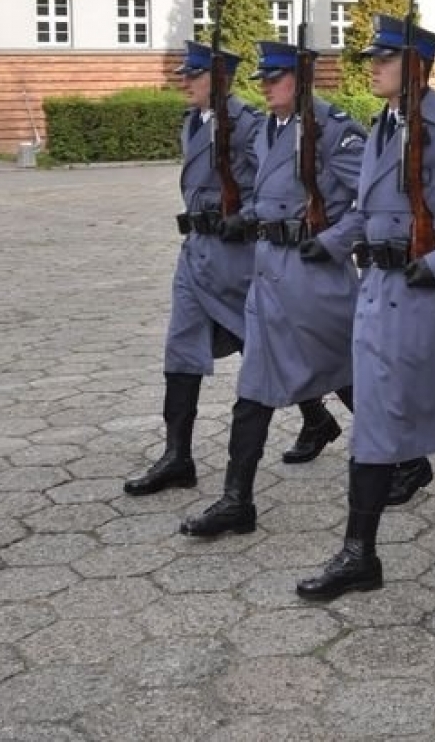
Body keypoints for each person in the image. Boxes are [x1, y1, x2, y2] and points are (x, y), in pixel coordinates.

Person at [296, 17, 435, 600]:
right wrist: (330, 244)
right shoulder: (384, 126)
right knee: (378, 424)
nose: (373, 66)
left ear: (414, 66)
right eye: (372, 57)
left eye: (385, 58)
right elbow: (366, 212)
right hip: (383, 296)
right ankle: (359, 554)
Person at [178, 41, 366, 537]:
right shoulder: (270, 131)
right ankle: (237, 500)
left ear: (300, 81)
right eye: (261, 77)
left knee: (345, 370)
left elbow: (368, 201)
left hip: (314, 273)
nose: (264, 86)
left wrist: (332, 242)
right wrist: (247, 218)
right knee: (254, 390)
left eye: (274, 77)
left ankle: (405, 459)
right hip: (269, 272)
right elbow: (270, 195)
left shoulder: (333, 129)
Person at [125, 41, 261, 497]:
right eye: (186, 73)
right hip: (196, 252)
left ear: (219, 80)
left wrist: (249, 214)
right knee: (180, 348)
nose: (185, 81)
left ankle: (324, 419)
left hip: (233, 256)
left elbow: (278, 182)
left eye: (195, 74)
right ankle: (177, 456)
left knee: (269, 346)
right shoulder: (194, 121)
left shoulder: (246, 124)